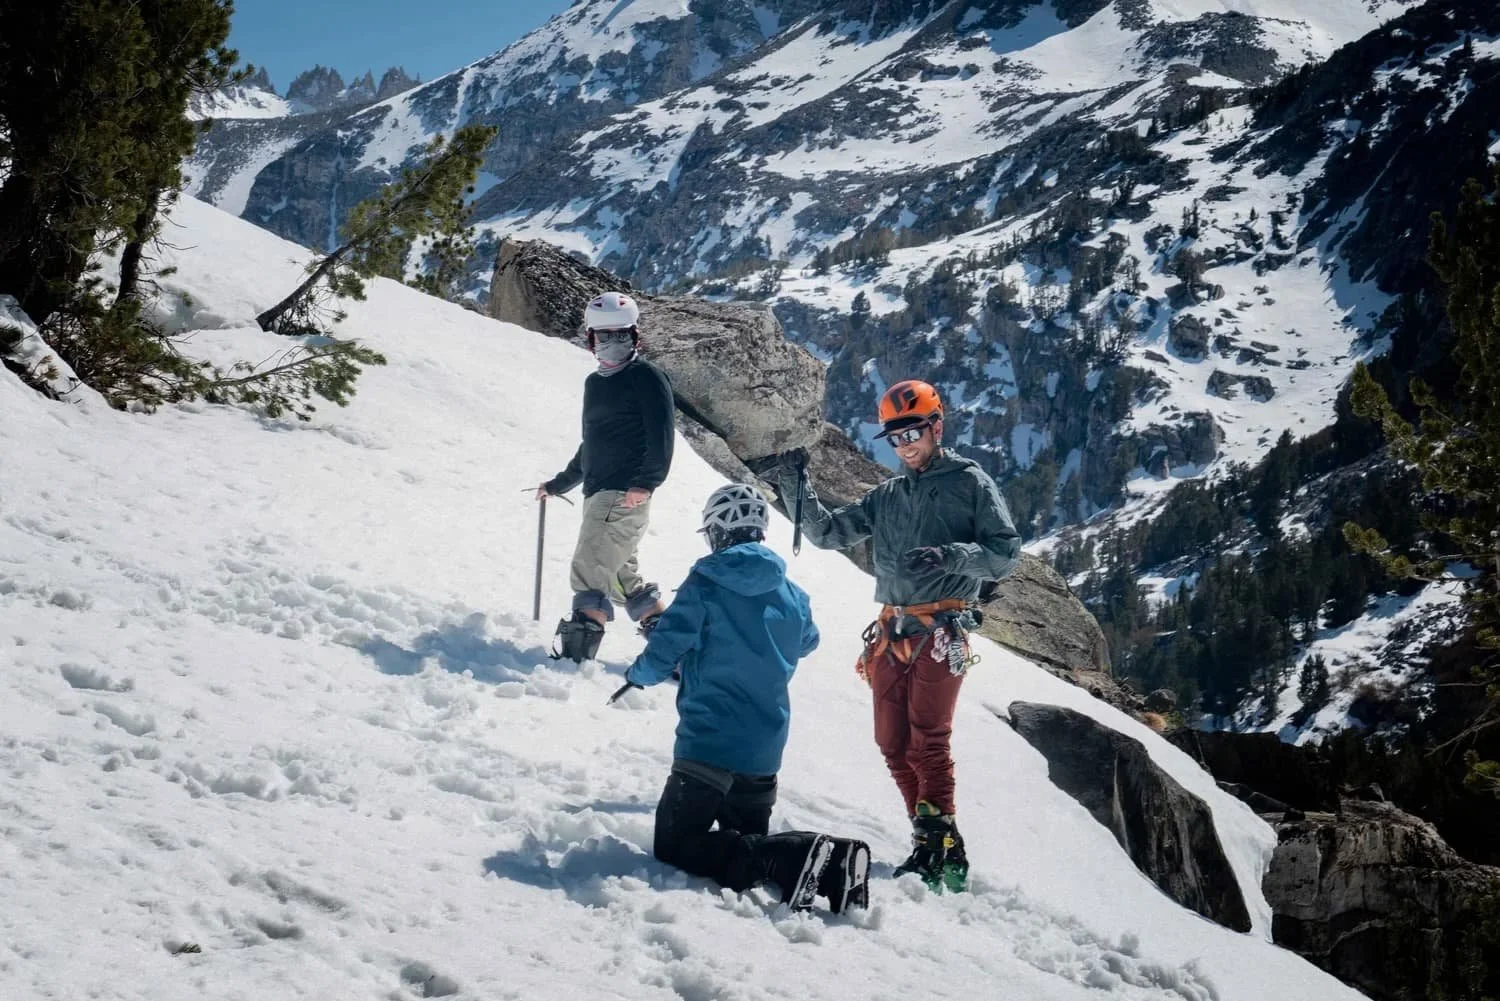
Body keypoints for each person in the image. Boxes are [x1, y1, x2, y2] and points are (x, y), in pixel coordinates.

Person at [757, 379, 1021, 891]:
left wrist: (953, 556)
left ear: (936, 427)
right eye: (896, 438)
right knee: (891, 742)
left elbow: (1006, 554)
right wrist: (794, 485)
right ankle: (932, 841)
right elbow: (829, 532)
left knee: (928, 739)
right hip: (891, 630)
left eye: (913, 433)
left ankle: (938, 846)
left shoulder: (970, 482)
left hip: (943, 628)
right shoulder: (890, 494)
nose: (905, 445)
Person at [622, 483, 870, 913]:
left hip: (708, 744)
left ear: (717, 532)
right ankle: (832, 862)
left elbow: (665, 651)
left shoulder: (706, 583)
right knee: (747, 844)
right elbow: (808, 641)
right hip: (764, 751)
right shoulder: (793, 594)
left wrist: (637, 674)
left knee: (676, 845)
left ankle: (793, 854)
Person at [535, 291, 674, 662]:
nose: (612, 343)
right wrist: (560, 483)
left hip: (623, 493)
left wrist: (646, 482)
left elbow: (662, 433)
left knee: (589, 568)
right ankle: (676, 652)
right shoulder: (594, 384)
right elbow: (591, 444)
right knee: (620, 579)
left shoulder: (646, 375)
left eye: (621, 335)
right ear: (590, 339)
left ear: (635, 337)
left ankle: (574, 661)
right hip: (601, 493)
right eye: (604, 336)